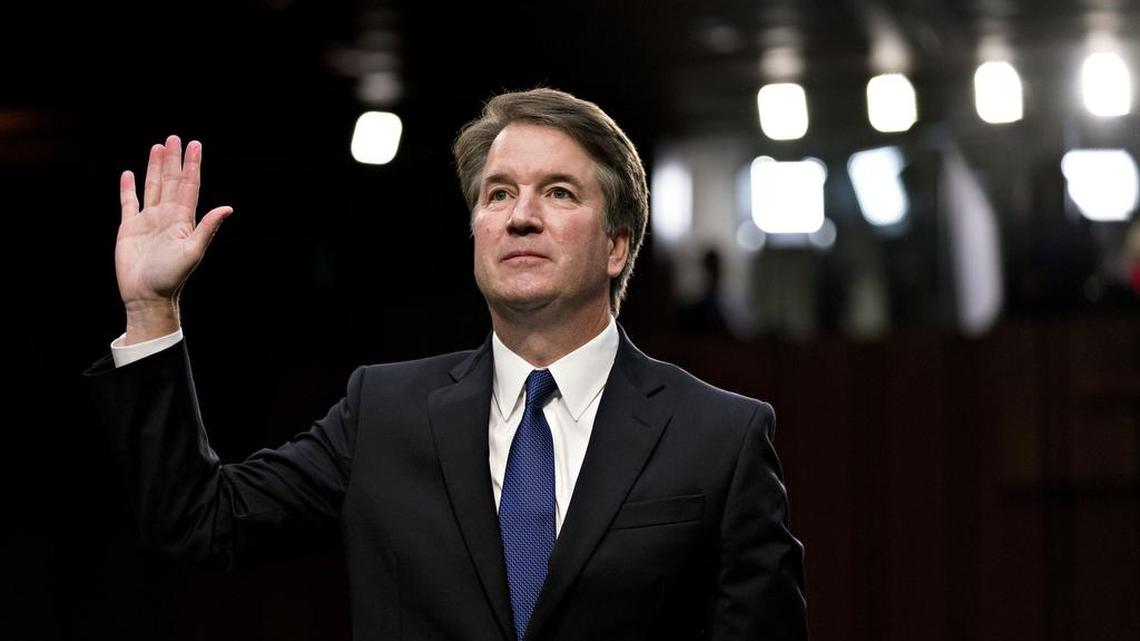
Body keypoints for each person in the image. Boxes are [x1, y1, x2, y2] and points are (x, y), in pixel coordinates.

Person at [84, 88, 808, 641]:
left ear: (617, 246)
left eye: (558, 192)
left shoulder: (719, 437)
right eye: (499, 194)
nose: (520, 215)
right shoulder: (382, 412)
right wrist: (152, 311)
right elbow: (201, 519)